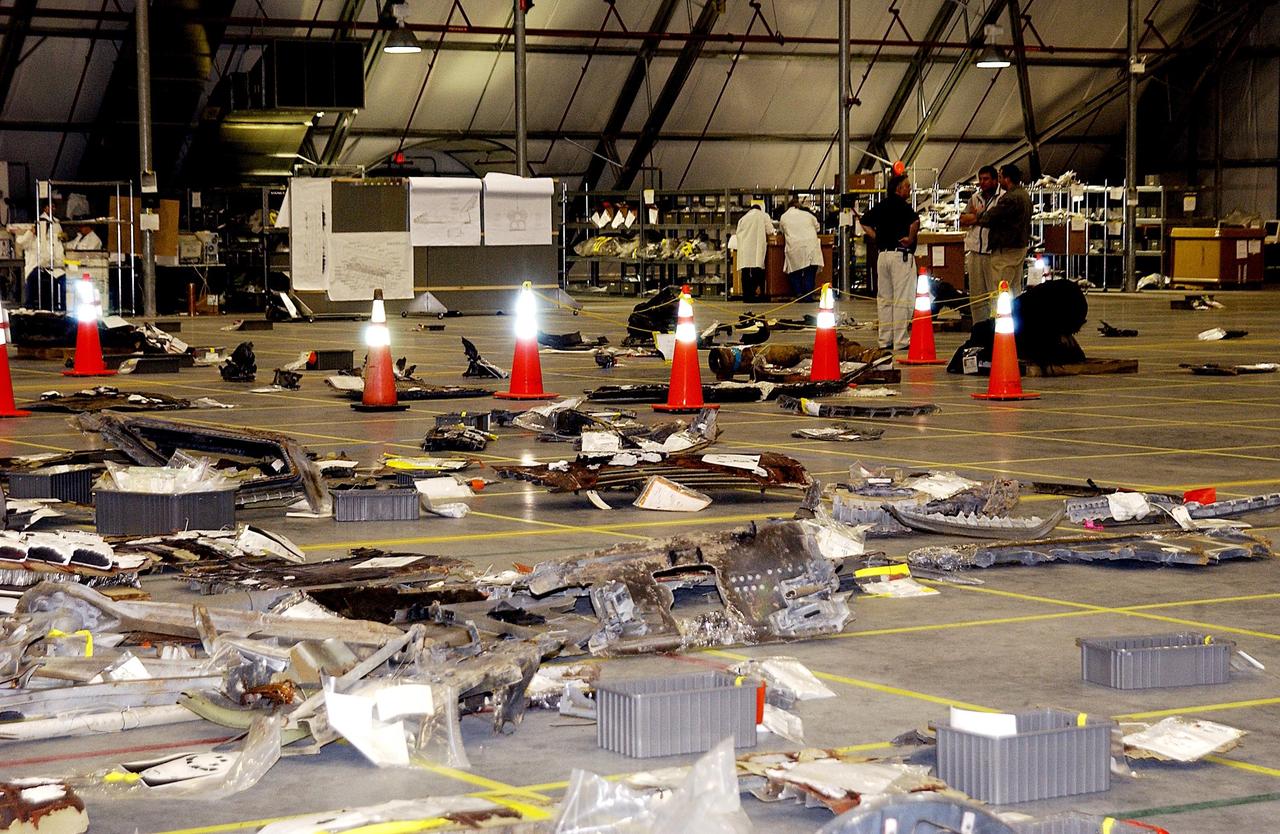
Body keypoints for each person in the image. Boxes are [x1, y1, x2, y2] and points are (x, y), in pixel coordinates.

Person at [859, 174, 920, 351]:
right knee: (902, 298)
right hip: (900, 255)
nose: (909, 190)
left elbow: (864, 221)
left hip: (882, 255)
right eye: (907, 187)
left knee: (884, 299)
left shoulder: (881, 205)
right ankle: (901, 340)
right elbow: (915, 221)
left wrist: (877, 237)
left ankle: (884, 339)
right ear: (898, 189)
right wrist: (910, 238)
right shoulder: (903, 206)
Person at [977, 162, 1032, 296]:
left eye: (1000, 177)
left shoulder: (1010, 198)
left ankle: (1000, 316)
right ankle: (1015, 315)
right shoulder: (1024, 195)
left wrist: (980, 214)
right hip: (1019, 247)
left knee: (1000, 288)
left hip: (1006, 249)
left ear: (1007, 179)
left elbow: (991, 218)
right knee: (1014, 288)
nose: (999, 180)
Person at [959, 165, 1000, 321]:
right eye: (980, 179)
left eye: (986, 179)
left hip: (993, 253)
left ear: (995, 180)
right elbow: (963, 220)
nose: (982, 182)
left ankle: (997, 328)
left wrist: (976, 217)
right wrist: (979, 217)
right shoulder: (975, 198)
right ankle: (979, 329)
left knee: (994, 293)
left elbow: (995, 220)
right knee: (977, 296)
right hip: (975, 252)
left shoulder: (1002, 198)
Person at [778, 196, 824, 298]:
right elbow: (817, 228)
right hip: (810, 246)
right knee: (809, 273)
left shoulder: (784, 217)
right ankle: (808, 296)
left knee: (794, 272)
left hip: (794, 246)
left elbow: (782, 230)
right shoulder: (808, 215)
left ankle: (798, 293)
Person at [732, 201, 774, 303]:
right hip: (757, 247)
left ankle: (746, 296)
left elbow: (738, 232)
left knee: (745, 271)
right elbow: (770, 230)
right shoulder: (764, 216)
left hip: (745, 248)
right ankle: (754, 293)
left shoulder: (744, 218)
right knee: (758, 270)